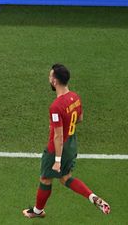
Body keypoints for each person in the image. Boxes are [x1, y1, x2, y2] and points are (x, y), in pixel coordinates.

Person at [23, 64, 110, 218]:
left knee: (45, 178)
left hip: (57, 148)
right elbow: (80, 118)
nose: (49, 79)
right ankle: (92, 197)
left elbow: (57, 136)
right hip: (72, 144)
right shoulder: (75, 97)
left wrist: (57, 160)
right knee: (65, 178)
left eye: (50, 76)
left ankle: (37, 211)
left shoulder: (56, 106)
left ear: (55, 81)